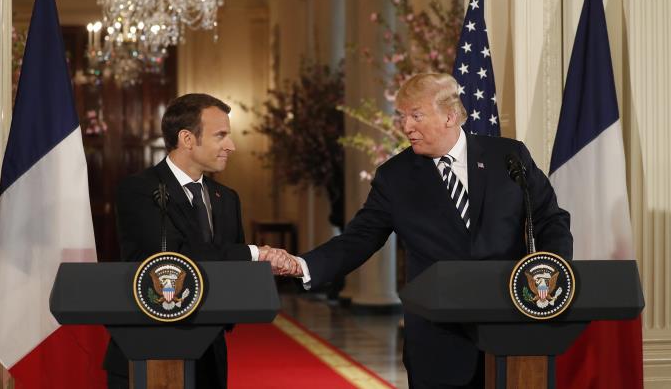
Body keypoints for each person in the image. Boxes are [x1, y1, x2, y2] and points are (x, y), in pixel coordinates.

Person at [287, 73, 573, 388]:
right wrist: (303, 265)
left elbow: (550, 219)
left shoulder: (508, 157)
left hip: (511, 333)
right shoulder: (395, 177)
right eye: (402, 117)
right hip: (439, 344)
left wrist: (551, 273)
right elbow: (359, 238)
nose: (406, 126)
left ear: (450, 116)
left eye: (416, 115)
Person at [103, 93, 296, 388]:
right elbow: (175, 260)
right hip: (147, 352)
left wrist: (261, 266)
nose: (231, 146)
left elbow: (232, 268)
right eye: (221, 135)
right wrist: (256, 254)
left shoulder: (227, 199)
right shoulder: (139, 190)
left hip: (210, 355)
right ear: (187, 139)